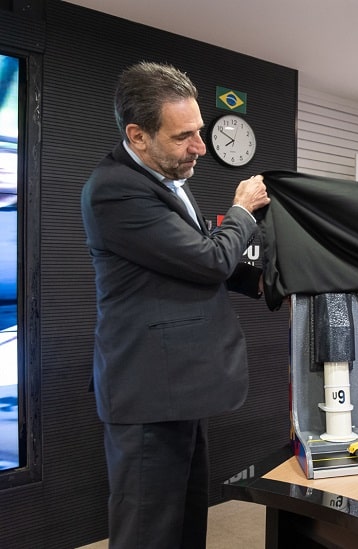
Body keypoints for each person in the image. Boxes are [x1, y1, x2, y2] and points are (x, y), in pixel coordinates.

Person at [80, 61, 271, 548]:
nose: (200, 148)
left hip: (180, 386)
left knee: (185, 520)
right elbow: (209, 260)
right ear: (138, 135)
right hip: (149, 394)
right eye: (184, 136)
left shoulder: (166, 181)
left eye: (200, 132)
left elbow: (188, 265)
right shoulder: (115, 191)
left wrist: (267, 283)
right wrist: (242, 211)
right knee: (149, 530)